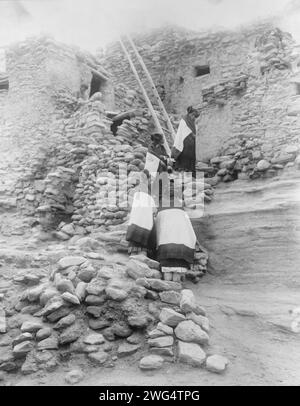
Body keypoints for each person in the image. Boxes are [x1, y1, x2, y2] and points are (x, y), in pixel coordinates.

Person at [126, 132, 170, 256]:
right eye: (161, 140)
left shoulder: (161, 148)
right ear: (157, 140)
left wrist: (164, 160)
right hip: (153, 172)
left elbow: (165, 157)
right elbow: (152, 159)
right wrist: (160, 161)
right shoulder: (151, 149)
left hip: (160, 173)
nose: (162, 142)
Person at [172, 106, 200, 177]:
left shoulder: (193, 122)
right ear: (189, 114)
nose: (193, 117)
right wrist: (193, 135)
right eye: (192, 115)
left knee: (191, 158)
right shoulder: (184, 120)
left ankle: (191, 175)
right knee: (185, 157)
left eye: (194, 116)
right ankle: (183, 174)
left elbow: (195, 131)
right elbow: (185, 132)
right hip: (184, 142)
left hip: (192, 143)